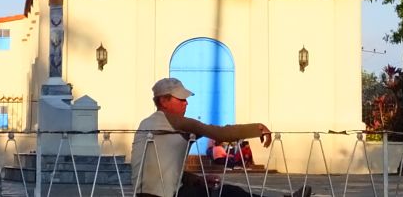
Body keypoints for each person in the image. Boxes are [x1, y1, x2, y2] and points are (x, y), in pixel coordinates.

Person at [131, 77, 309, 197]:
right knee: (233, 193)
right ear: (163, 101)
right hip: (169, 195)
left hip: (144, 194)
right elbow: (220, 133)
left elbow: (161, 168)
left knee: (220, 190)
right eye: (181, 99)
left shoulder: (145, 124)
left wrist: (197, 179)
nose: (186, 103)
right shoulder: (176, 122)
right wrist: (257, 128)